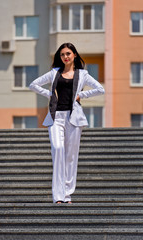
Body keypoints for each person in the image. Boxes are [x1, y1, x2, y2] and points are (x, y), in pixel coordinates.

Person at [29, 43, 105, 204]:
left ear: (74, 55)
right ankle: (58, 196)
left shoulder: (82, 74)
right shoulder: (54, 73)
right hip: (56, 117)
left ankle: (67, 195)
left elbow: (100, 89)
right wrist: (50, 93)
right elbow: (33, 85)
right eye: (63, 54)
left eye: (68, 54)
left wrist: (81, 96)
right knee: (57, 150)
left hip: (74, 118)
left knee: (70, 157)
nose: (65, 57)